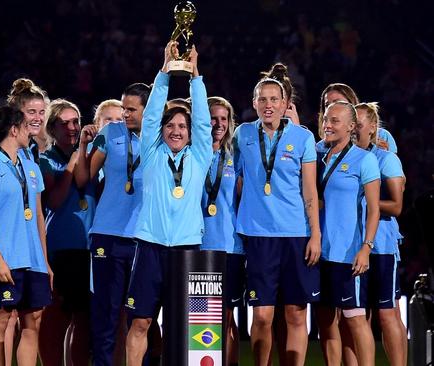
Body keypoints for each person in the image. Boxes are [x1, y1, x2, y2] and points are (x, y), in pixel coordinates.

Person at [125, 41, 211, 366]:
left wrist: (195, 76)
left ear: (190, 133)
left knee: (182, 328)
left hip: (187, 251)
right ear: (161, 131)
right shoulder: (152, 154)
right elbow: (148, 119)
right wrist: (165, 71)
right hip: (149, 247)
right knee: (141, 322)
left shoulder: (201, 156)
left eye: (182, 127)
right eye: (170, 126)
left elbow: (203, 122)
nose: (176, 131)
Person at [234, 71, 321, 365]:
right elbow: (234, 179)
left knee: (295, 313)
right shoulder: (243, 134)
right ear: (254, 103)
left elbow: (310, 190)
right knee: (262, 314)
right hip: (258, 236)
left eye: (274, 99)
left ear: (285, 104)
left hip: (296, 234)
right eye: (263, 99)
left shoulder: (303, 136)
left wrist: (315, 235)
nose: (268, 104)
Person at [76, 82, 151, 366]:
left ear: (147, 109)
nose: (125, 114)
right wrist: (83, 146)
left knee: (140, 316)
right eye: (123, 107)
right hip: (107, 233)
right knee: (105, 313)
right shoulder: (110, 132)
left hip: (144, 237)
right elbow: (84, 180)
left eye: (132, 109)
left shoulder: (161, 136)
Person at [0, 105, 52, 366]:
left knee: (33, 322)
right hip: (5, 258)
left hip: (34, 259)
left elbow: (38, 216)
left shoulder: (31, 167)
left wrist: (45, 261)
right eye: (26, 126)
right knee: (0, 320)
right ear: (14, 129)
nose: (31, 130)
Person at [316, 101, 379, 366]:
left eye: (335, 121)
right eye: (326, 119)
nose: (328, 125)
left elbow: (374, 210)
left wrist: (366, 246)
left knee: (355, 320)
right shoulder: (316, 153)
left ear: (351, 126)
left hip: (347, 253)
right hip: (319, 253)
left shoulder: (364, 159)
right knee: (326, 322)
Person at [38, 99, 95, 365]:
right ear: (51, 128)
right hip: (60, 246)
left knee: (83, 316)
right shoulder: (46, 160)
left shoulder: (90, 154)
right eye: (65, 123)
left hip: (89, 245)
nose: (73, 128)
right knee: (56, 314)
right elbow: (54, 201)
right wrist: (72, 165)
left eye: (76, 121)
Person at [355, 102, 407, 366]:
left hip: (382, 246)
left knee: (387, 313)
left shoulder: (386, 158)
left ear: (373, 127)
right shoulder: (345, 156)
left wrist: (364, 198)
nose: (354, 128)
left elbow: (397, 205)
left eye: (360, 124)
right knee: (357, 316)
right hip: (352, 246)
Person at [201, 96, 244, 364]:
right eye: (213, 118)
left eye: (223, 119)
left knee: (226, 319)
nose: (218, 124)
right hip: (198, 247)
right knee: (202, 320)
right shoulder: (192, 153)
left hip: (230, 247)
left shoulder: (236, 157)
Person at [317, 83, 397, 153]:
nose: (332, 108)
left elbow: (392, 166)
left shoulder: (382, 136)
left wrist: (382, 155)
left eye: (337, 102)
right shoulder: (320, 148)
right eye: (327, 105)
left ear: (352, 104)